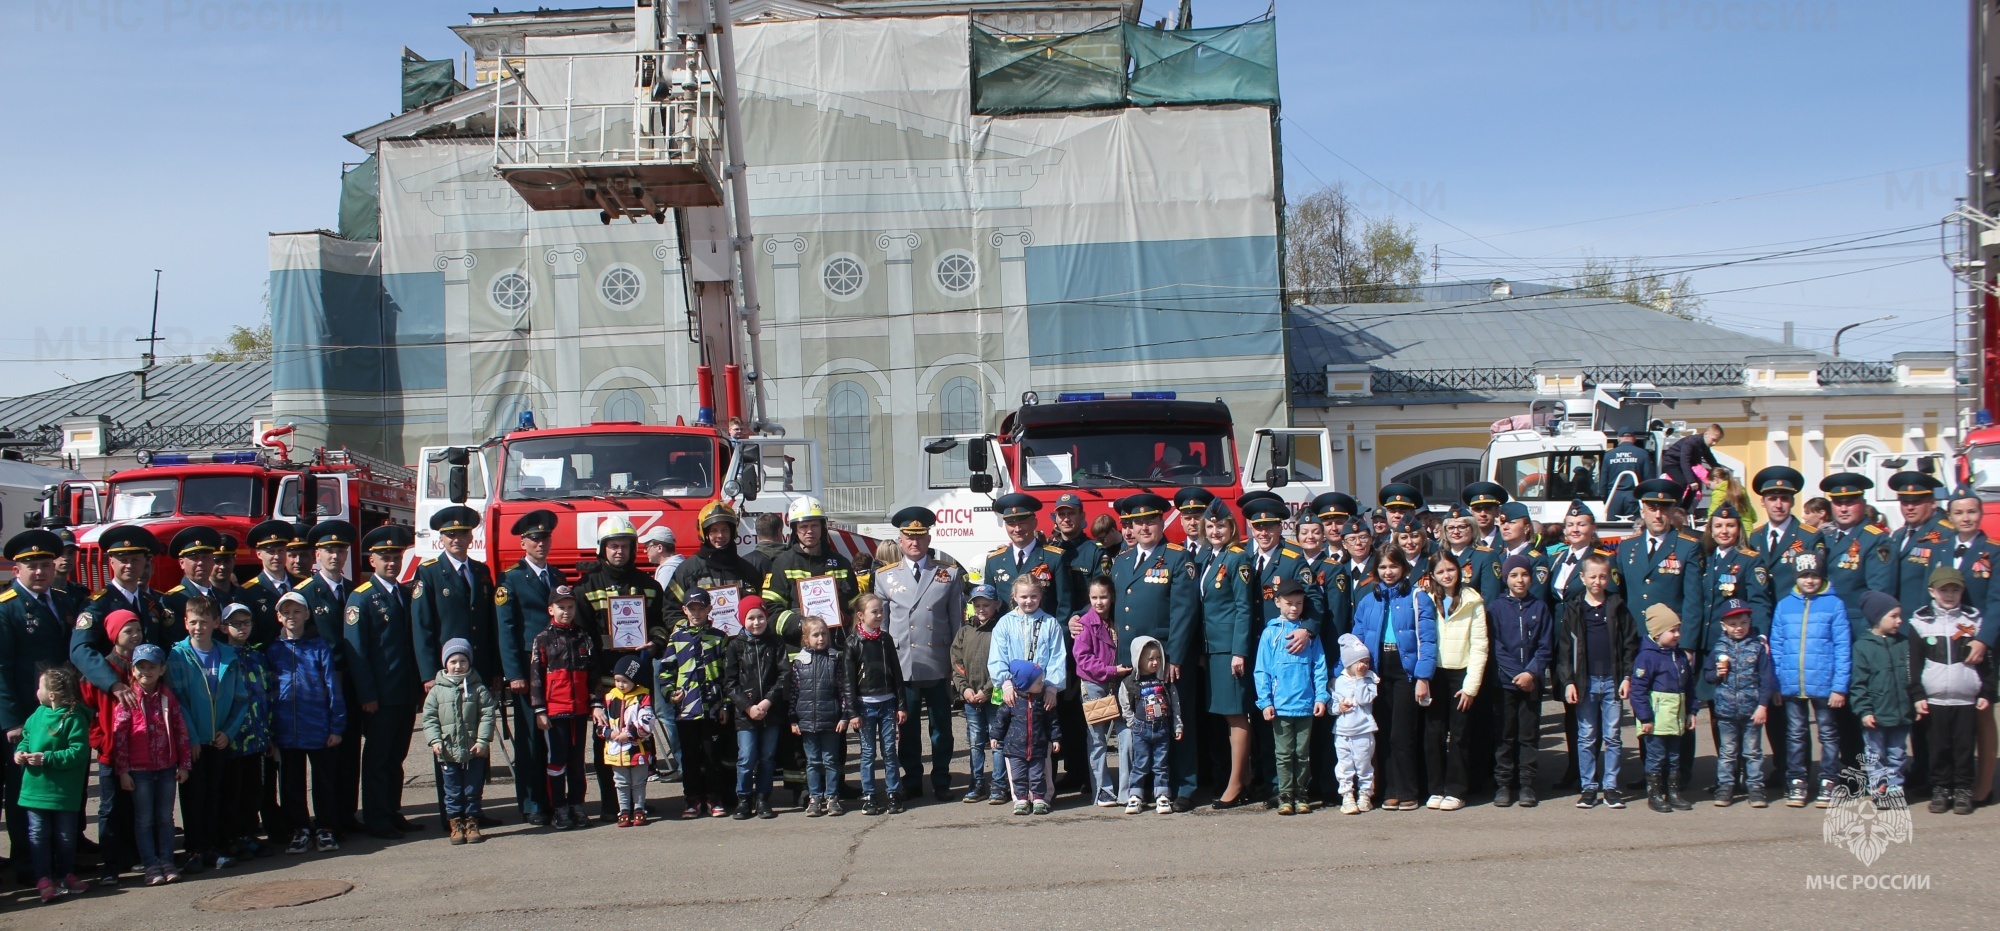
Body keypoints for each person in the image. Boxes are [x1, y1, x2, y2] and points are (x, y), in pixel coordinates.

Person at [1107, 493, 1200, 810]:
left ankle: (1184, 785)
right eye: (1138, 522)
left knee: (1175, 722)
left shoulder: (1176, 558)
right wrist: (1081, 616)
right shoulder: (1120, 561)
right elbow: (1112, 603)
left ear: (1162, 522)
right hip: (1132, 662)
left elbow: (1185, 613)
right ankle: (1143, 786)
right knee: (1140, 726)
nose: (1144, 527)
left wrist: (1174, 656)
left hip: (1163, 661)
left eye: (1151, 521)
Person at [1, 528, 83, 885]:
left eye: (45, 564)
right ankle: (28, 863)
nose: (40, 571)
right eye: (31, 565)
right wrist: (12, 721)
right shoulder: (8, 608)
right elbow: (1, 668)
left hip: (63, 715)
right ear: (15, 569)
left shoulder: (64, 602)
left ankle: (66, 856)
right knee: (27, 792)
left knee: (65, 782)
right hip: (26, 718)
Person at [577, 514, 666, 821]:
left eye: (625, 546)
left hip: (639, 678)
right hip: (604, 678)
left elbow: (660, 625)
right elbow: (581, 637)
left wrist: (654, 644)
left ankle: (636, 803)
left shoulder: (649, 586)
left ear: (633, 548)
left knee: (640, 737)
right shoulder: (586, 588)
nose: (619, 552)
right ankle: (609, 803)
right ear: (602, 549)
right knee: (607, 739)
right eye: (613, 546)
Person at [878, 506, 969, 802]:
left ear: (929, 538)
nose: (914, 543)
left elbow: (957, 624)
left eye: (920, 537)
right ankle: (912, 779)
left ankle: (941, 778)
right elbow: (883, 629)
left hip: (939, 663)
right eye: (908, 537)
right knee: (907, 728)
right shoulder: (884, 578)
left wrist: (958, 666)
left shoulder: (948, 574)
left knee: (941, 728)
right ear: (900, 541)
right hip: (904, 664)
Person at [342, 525, 424, 841]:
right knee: (377, 759)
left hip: (403, 692)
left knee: (396, 757)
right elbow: (358, 653)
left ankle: (392, 811)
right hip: (380, 696)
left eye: (396, 557)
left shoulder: (404, 594)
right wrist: (367, 695)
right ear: (372, 560)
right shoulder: (361, 598)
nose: (392, 563)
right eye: (385, 557)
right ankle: (376, 817)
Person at [1349, 545, 1437, 810]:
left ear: (1404, 568)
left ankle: (1409, 789)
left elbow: (1428, 640)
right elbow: (1358, 637)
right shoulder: (1368, 600)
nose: (1389, 572)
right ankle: (1390, 789)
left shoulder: (1418, 597)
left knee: (1403, 733)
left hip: (1405, 668)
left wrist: (1423, 676)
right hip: (1377, 669)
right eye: (1383, 567)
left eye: (1394, 566)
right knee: (1383, 731)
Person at [166, 595, 249, 873]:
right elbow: (177, 700)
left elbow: (241, 699)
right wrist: (190, 738)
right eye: (192, 622)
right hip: (194, 742)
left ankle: (215, 847)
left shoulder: (228, 655)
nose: (198, 627)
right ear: (185, 623)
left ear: (216, 623)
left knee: (217, 794)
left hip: (219, 740)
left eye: (203, 621)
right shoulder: (178, 655)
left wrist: (228, 731)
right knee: (193, 795)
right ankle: (194, 849)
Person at [1908, 566, 1996, 814]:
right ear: (1932, 591)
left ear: (1962, 592)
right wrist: (1917, 694)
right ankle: (1941, 788)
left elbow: (1986, 663)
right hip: (1934, 700)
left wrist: (1986, 692)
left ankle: (1963, 789)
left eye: (1955, 590)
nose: (1949, 594)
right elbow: (1913, 663)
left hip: (1965, 699)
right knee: (1938, 748)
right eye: (1943, 589)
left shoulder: (1974, 621)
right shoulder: (1921, 622)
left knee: (1964, 747)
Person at [496, 509, 563, 826]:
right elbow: (506, 629)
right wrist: (514, 674)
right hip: (527, 666)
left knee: (557, 734)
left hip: (557, 668)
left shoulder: (558, 577)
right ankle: (533, 802)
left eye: (545, 537)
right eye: (534, 538)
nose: (541, 543)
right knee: (530, 737)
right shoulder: (510, 580)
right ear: (523, 543)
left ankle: (557, 799)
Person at [1556, 553, 1638, 809]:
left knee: (1613, 736)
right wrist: (1568, 681)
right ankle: (1589, 787)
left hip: (1612, 680)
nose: (1598, 581)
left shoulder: (1617, 605)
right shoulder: (1574, 608)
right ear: (1582, 577)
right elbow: (1566, 649)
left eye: (1603, 576)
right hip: (1585, 681)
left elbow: (1629, 644)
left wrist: (1627, 676)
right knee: (1587, 736)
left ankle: (1611, 786)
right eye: (1592, 576)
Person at [1770, 553, 1852, 807]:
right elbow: (1777, 646)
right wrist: (1776, 684)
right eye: (1804, 575)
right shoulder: (1784, 605)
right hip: (1792, 684)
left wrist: (1840, 686)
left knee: (1827, 733)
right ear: (1796, 577)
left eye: (1814, 575)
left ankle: (1829, 778)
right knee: (1795, 733)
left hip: (1825, 684)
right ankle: (1797, 779)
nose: (1809, 580)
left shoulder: (1834, 605)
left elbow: (1842, 647)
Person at [268, 591, 343, 854]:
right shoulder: (273, 650)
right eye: (286, 612)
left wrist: (336, 726)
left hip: (318, 727)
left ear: (307, 615)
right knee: (290, 783)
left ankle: (326, 828)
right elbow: (268, 691)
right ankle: (299, 828)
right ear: (278, 617)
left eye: (297, 611)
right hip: (287, 730)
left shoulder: (319, 647)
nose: (292, 617)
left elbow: (332, 687)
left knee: (324, 781)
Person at [989, 574, 1069, 812]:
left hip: (1042, 693)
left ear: (1041, 596)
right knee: (1015, 747)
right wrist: (1005, 684)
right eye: (1023, 596)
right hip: (1015, 695)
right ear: (1014, 597)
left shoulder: (1050, 623)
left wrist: (1052, 687)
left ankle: (1042, 794)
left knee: (1040, 746)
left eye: (1034, 596)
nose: (1028, 601)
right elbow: (998, 657)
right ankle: (1020, 796)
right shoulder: (1004, 623)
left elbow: (1057, 657)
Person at [112, 644, 191, 885]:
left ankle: (167, 861)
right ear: (133, 671)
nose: (146, 671)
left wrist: (184, 764)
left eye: (152, 667)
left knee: (165, 818)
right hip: (140, 771)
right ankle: (151, 865)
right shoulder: (128, 699)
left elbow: (180, 731)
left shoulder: (168, 697)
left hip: (167, 768)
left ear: (161, 669)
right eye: (141, 667)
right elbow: (119, 739)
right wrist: (123, 771)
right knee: (144, 820)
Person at [1203, 499, 1262, 808]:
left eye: (1221, 525)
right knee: (1226, 715)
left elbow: (1243, 608)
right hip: (1213, 647)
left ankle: (1236, 784)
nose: (1216, 531)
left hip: (1229, 649)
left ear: (1232, 527)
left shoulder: (1238, 559)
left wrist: (1239, 651)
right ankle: (1245, 777)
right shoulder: (1210, 557)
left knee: (1236, 715)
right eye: (1210, 526)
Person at [1253, 577, 1329, 815]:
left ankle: (1301, 792)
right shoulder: (1270, 633)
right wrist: (1265, 702)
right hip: (1281, 706)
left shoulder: (1309, 634)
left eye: (1299, 602)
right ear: (1277, 602)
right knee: (1284, 753)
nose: (1294, 608)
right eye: (1289, 603)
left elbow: (1319, 667)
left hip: (1305, 704)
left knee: (1302, 754)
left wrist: (1321, 697)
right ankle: (1285, 794)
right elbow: (1262, 670)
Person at [14, 666, 89, 902]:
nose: (37, 691)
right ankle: (43, 878)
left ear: (53, 695)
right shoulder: (36, 715)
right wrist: (20, 752)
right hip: (35, 791)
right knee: (38, 835)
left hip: (63, 792)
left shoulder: (75, 718)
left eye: (40, 687)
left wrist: (47, 758)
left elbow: (78, 752)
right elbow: (26, 738)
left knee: (65, 836)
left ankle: (66, 874)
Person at [79, 607, 141, 886]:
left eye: (138, 630)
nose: (135, 636)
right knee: (110, 808)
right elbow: (87, 712)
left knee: (137, 807)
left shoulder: (144, 666)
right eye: (128, 631)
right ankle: (111, 864)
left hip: (141, 753)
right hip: (111, 752)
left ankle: (136, 855)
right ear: (114, 635)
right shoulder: (102, 671)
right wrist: (101, 742)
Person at [411, 505, 500, 691]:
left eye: (462, 534)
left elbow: (490, 624)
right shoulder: (428, 572)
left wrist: (496, 669)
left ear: (471, 537)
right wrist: (428, 673)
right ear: (441, 538)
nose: (456, 539)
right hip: (447, 668)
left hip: (480, 666)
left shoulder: (481, 571)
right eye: (451, 534)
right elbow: (422, 626)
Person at [659, 589, 731, 818]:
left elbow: (728, 675)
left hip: (712, 708)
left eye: (701, 608)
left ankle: (714, 798)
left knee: (712, 757)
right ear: (684, 611)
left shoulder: (719, 637)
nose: (696, 613)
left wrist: (726, 704)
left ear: (710, 609)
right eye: (692, 609)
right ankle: (692, 800)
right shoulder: (677, 638)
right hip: (686, 710)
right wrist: (670, 693)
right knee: (689, 758)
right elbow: (666, 672)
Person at [1422, 549, 1485, 811]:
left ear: (1459, 570)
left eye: (1450, 569)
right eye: (1440, 571)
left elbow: (1481, 646)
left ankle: (1456, 790)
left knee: (1459, 736)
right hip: (1434, 673)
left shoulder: (1473, 600)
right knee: (1433, 733)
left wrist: (1471, 687)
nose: (1446, 575)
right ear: (1433, 575)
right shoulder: (1425, 599)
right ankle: (1435, 788)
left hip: (1461, 673)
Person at [531, 585, 596, 830]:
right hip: (555, 712)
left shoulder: (583, 636)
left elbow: (593, 672)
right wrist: (539, 710)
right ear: (551, 609)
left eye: (570, 607)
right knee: (556, 761)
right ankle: (559, 807)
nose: (566, 612)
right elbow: (536, 677)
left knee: (577, 761)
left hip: (579, 711)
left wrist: (595, 702)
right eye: (561, 607)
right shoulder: (543, 639)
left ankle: (577, 803)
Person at [1490, 554, 1553, 808]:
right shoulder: (1495, 608)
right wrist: (1516, 673)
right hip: (1505, 683)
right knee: (1505, 736)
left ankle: (1527, 784)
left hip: (1531, 682)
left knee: (1528, 735)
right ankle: (1504, 784)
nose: (1520, 580)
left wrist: (1531, 673)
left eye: (1524, 575)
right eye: (1514, 575)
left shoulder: (1540, 607)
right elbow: (1496, 646)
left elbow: (1545, 646)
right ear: (1506, 578)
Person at [423, 638, 498, 843]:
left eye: (463, 661)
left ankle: (472, 821)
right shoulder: (437, 691)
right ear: (445, 663)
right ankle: (455, 822)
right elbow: (429, 718)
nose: (458, 666)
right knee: (453, 790)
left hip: (474, 749)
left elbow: (487, 715)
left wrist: (483, 740)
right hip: (447, 751)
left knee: (473, 788)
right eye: (453, 661)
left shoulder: (478, 689)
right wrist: (434, 740)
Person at [1703, 599, 1776, 807]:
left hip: (1752, 710)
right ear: (1723, 626)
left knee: (1752, 751)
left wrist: (1763, 705)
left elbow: (1766, 679)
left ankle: (1755, 787)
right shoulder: (1718, 648)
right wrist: (1716, 673)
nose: (1738, 628)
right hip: (1725, 710)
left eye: (1743, 622)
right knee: (1727, 751)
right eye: (1733, 624)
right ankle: (1726, 786)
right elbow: (1707, 675)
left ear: (1750, 622)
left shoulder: (1757, 648)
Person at [219, 602, 275, 861]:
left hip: (257, 735)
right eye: (235, 623)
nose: (241, 628)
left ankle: (250, 835)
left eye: (245, 622)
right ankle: (232, 837)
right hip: (232, 737)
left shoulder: (257, 656)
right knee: (233, 790)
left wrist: (269, 731)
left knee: (254, 789)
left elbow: (267, 693)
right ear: (223, 627)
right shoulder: (221, 656)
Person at [725, 595, 787, 820]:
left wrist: (767, 702)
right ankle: (743, 798)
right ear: (742, 620)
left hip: (771, 711)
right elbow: (730, 683)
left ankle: (763, 797)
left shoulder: (776, 643)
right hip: (746, 714)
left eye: (760, 617)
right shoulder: (735, 646)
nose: (757, 622)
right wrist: (748, 707)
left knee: (767, 756)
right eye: (750, 618)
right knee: (747, 756)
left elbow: (784, 675)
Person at [1849, 591, 1913, 808]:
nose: (1899, 621)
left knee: (1897, 753)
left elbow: (1911, 677)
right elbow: (1858, 684)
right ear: (1877, 617)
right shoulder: (1863, 647)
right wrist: (1864, 710)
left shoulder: (1903, 644)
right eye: (1893, 616)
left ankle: (1895, 788)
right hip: (1876, 714)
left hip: (1900, 712)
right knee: (1875, 754)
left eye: (1899, 616)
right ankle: (1879, 789)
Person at [845, 592, 906, 815]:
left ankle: (893, 792)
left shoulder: (885, 639)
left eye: (881, 611)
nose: (880, 615)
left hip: (888, 703)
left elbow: (896, 674)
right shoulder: (853, 642)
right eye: (875, 611)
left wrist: (901, 705)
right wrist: (852, 711)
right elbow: (848, 681)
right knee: (868, 752)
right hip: (865, 705)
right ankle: (869, 794)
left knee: (889, 750)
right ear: (861, 616)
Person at [1631, 606, 1696, 813]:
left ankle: (1674, 793)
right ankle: (1655, 794)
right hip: (1656, 723)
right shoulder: (1647, 657)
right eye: (1672, 630)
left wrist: (1691, 712)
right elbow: (1638, 690)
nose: (1677, 634)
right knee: (1656, 758)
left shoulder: (1680, 657)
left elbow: (1689, 687)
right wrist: (1645, 718)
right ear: (1657, 633)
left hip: (1675, 722)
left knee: (1674, 758)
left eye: (1678, 630)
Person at [951, 583, 1007, 805]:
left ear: (997, 605)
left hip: (995, 696)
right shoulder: (965, 631)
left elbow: (1005, 663)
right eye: (977, 605)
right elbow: (956, 662)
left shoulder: (1000, 630)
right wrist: (963, 688)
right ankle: (976, 783)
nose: (981, 609)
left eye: (986, 605)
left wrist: (987, 690)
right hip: (970, 697)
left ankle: (999, 785)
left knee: (997, 741)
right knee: (975, 742)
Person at [788, 617, 849, 818]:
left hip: (831, 720)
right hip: (807, 722)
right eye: (815, 635)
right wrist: (793, 719)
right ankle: (815, 797)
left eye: (824, 634)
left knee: (831, 760)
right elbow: (794, 693)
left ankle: (832, 797)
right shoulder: (799, 662)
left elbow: (842, 690)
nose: (821, 638)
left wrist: (843, 716)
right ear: (806, 639)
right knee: (812, 761)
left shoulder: (835, 658)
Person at [994, 657, 1063, 817]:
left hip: (1038, 746)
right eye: (1038, 682)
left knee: (1038, 774)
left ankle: (1040, 799)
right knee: (1018, 776)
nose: (1042, 684)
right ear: (1026, 684)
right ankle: (1021, 800)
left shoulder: (1043, 700)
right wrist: (995, 736)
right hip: (1015, 748)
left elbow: (1052, 721)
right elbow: (1000, 720)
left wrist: (1055, 738)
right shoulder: (1012, 701)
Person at [1118, 635, 1178, 814]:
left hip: (1162, 729)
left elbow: (1175, 704)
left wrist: (1178, 725)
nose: (1155, 662)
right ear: (1138, 659)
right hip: (1141, 730)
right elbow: (1124, 703)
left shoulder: (1164, 681)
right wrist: (1132, 722)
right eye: (1150, 659)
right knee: (1140, 763)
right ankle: (1136, 795)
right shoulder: (1130, 682)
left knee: (1161, 764)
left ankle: (1162, 795)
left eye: (1158, 658)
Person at [598, 655, 654, 828]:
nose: (620, 685)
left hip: (638, 749)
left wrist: (629, 734)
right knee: (621, 782)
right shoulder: (609, 698)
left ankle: (639, 809)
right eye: (617, 680)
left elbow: (647, 723)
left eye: (624, 681)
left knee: (638, 782)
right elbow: (600, 725)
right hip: (616, 750)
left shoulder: (643, 697)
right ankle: (623, 810)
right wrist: (608, 733)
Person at [1330, 634, 1379, 815]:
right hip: (1342, 732)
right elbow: (1332, 706)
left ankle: (1365, 794)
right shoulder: (1338, 682)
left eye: (1366, 661)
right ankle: (1347, 796)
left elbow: (1364, 699)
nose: (1363, 665)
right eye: (1359, 662)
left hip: (1364, 731)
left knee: (1364, 764)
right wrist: (1339, 707)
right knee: (1344, 765)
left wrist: (1360, 679)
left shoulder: (1370, 679)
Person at [159, 526, 224, 636]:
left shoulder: (223, 596)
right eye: (194, 558)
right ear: (182, 563)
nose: (200, 563)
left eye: (205, 557)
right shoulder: (172, 600)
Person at [1601, 430, 1656, 520]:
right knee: (1635, 527)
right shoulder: (1642, 453)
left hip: (1613, 497)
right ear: (1634, 439)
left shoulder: (1608, 455)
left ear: (1619, 438)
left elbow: (1603, 480)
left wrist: (1603, 498)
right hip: (1634, 496)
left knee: (1611, 528)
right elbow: (1649, 479)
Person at [1662, 424, 1724, 501]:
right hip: (1671, 463)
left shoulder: (1704, 445)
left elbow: (1711, 460)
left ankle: (1684, 509)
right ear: (1706, 434)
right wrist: (1691, 481)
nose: (1714, 443)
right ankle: (1674, 505)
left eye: (1717, 441)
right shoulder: (1691, 441)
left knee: (1696, 485)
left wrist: (1722, 471)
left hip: (1682, 464)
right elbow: (1685, 461)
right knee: (1683, 482)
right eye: (1713, 440)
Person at [642, 527, 683, 591]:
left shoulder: (667, 571)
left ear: (659, 548)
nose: (644, 551)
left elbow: (663, 599)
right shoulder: (679, 565)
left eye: (647, 547)